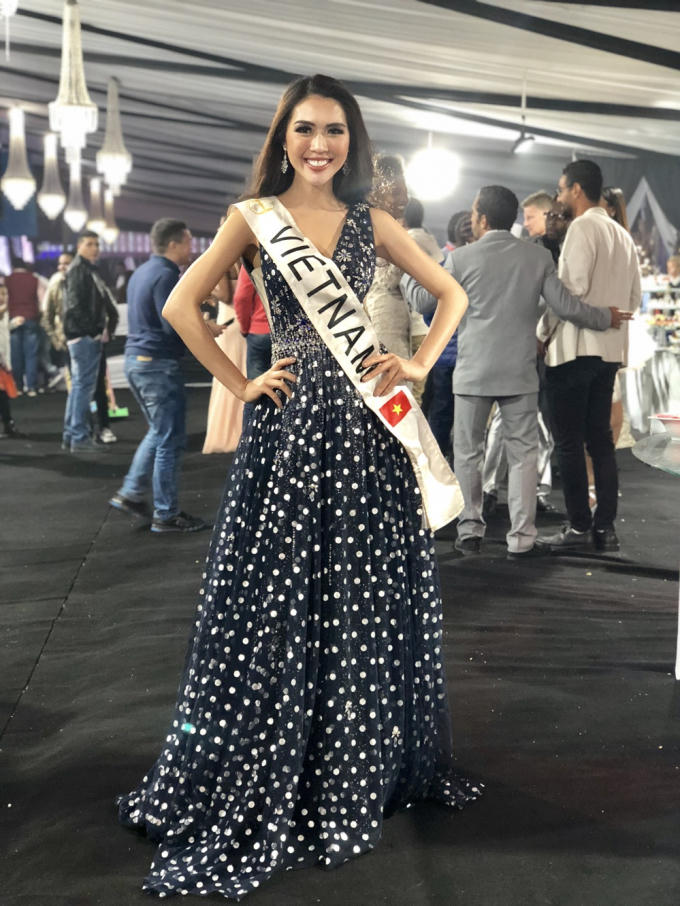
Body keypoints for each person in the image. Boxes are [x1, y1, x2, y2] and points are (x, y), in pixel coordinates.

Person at [117, 73, 478, 900]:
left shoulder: (372, 221)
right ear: (284, 136)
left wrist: (418, 363)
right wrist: (241, 385)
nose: (320, 144)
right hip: (287, 436)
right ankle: (287, 758)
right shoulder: (252, 218)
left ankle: (352, 763)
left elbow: (453, 292)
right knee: (281, 595)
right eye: (307, 129)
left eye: (335, 131)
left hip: (366, 433)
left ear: (353, 141)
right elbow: (182, 306)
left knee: (360, 596)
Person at [403, 185, 631, 559]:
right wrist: (605, 317)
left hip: (473, 373)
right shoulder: (537, 257)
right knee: (524, 455)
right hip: (520, 373)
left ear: (482, 218)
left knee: (468, 453)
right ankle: (522, 537)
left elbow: (422, 300)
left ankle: (470, 531)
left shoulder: (462, 259)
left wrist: (406, 267)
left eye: (474, 212)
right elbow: (567, 307)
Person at [538, 160, 641, 552]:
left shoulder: (582, 228)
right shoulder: (621, 233)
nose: (559, 197)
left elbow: (570, 292)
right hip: (609, 350)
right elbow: (634, 298)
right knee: (601, 441)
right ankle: (605, 529)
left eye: (561, 189)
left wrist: (541, 333)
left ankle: (580, 526)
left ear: (577, 190)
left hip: (574, 348)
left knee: (568, 442)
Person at [109, 218, 216, 532]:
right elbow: (172, 324)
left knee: (158, 433)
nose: (192, 247)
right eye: (189, 241)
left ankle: (131, 493)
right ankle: (166, 514)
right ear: (174, 243)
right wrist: (204, 327)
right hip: (157, 365)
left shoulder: (142, 272)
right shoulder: (167, 275)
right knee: (170, 439)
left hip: (137, 361)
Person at [61, 232, 109, 453]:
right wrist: (93, 331)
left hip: (79, 334)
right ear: (79, 246)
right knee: (83, 387)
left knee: (79, 387)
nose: (95, 248)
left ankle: (71, 434)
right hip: (83, 335)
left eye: (97, 244)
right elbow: (75, 305)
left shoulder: (83, 269)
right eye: (90, 244)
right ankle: (79, 437)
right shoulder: (80, 270)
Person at [363, 154, 411, 359]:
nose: (405, 200)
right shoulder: (366, 231)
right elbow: (386, 281)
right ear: (375, 195)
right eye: (396, 193)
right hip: (380, 321)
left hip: (396, 322)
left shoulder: (395, 233)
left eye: (406, 193)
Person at [203, 263, 248, 454]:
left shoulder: (224, 263)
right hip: (241, 322)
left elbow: (225, 295)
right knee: (242, 376)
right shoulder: (242, 262)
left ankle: (228, 434)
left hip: (228, 324)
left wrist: (207, 289)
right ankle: (242, 429)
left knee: (227, 377)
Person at [403, 197, 442, 405]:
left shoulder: (405, 241)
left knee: (406, 392)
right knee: (420, 393)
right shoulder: (432, 242)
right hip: (430, 328)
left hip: (411, 326)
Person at [232, 262, 271, 425]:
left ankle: (254, 433)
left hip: (260, 332)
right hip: (292, 334)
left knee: (255, 393)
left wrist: (244, 327)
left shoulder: (254, 258)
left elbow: (242, 297)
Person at [5, 258, 42, 397]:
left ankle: (18, 387)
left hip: (13, 319)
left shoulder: (7, 280)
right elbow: (40, 299)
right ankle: (31, 387)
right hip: (30, 318)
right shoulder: (34, 279)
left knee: (15, 355)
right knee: (31, 355)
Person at [43, 252, 73, 391]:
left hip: (86, 338)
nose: (61, 267)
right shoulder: (56, 282)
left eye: (66, 263)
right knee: (73, 375)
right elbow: (46, 313)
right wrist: (55, 339)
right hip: (66, 337)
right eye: (60, 263)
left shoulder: (85, 280)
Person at [0, 282, 24, 438]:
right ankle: (8, 424)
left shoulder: (5, 313)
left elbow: (3, 331)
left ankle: (8, 423)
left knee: (3, 395)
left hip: (3, 360)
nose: (3, 297)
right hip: (1, 362)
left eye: (5, 294)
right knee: (2, 394)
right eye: (0, 294)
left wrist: (13, 324)